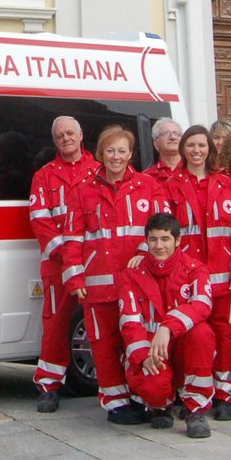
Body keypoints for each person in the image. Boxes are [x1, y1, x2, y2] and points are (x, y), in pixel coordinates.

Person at [64, 125, 168, 422]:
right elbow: (73, 238)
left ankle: (141, 394)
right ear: (100, 153)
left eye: (122, 151)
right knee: (104, 343)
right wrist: (75, 277)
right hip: (98, 285)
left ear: (131, 153)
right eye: (110, 150)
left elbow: (161, 231)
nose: (116, 156)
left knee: (137, 341)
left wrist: (143, 253)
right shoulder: (84, 190)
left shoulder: (148, 187)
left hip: (139, 285)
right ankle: (115, 401)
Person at [164, 125, 231, 420]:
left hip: (224, 278)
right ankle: (186, 392)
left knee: (224, 335)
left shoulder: (228, 186)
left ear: (209, 150)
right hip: (187, 279)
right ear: (183, 149)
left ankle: (225, 393)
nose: (196, 151)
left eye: (201, 145)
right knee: (188, 335)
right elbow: (165, 235)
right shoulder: (171, 186)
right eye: (191, 145)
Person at [117, 213, 216, 438]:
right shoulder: (131, 274)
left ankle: (195, 408)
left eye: (165, 239)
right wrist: (143, 356)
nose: (159, 245)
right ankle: (160, 405)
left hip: (182, 346)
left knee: (202, 333)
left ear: (178, 240)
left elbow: (202, 304)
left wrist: (168, 327)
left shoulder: (195, 269)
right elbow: (129, 322)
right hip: (151, 351)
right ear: (146, 241)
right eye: (153, 240)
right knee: (154, 389)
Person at [27, 115, 99, 411]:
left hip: (95, 264)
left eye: (70, 133)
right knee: (55, 325)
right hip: (57, 265)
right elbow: (40, 220)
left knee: (101, 324)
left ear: (81, 135)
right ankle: (48, 386)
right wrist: (70, 252)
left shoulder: (100, 171)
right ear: (54, 140)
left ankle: (115, 386)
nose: (66, 139)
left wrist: (86, 253)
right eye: (60, 136)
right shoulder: (44, 175)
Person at [143, 118, 183, 186]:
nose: (172, 137)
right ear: (156, 144)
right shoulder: (146, 177)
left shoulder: (195, 170)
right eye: (166, 133)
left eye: (176, 133)